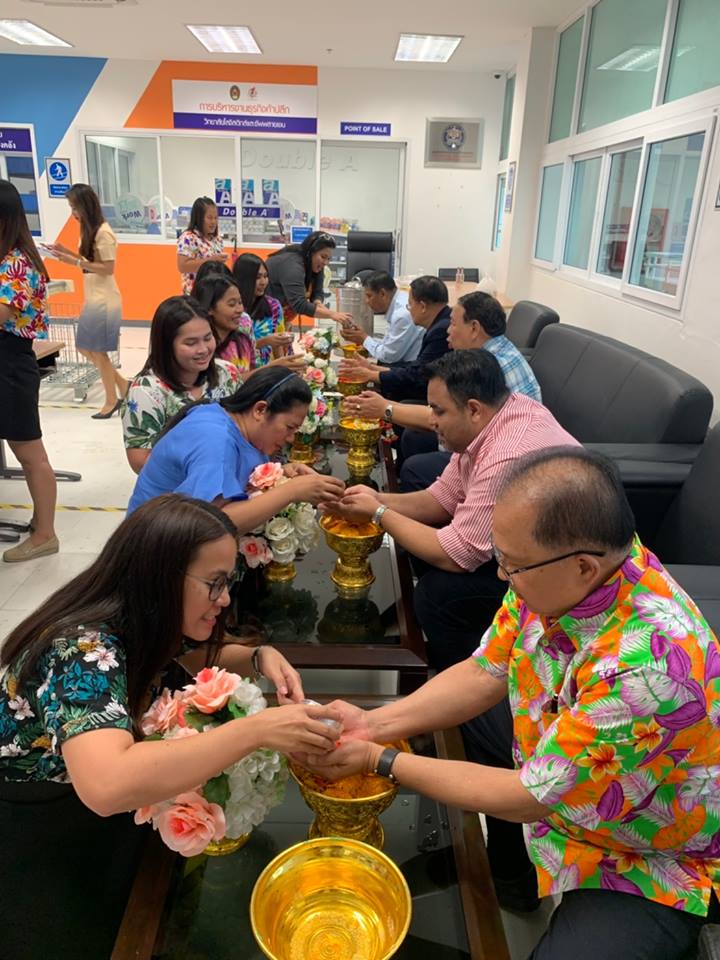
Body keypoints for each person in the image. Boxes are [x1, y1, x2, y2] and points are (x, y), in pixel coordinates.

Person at [308, 448, 720, 960]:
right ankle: (510, 873)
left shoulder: (649, 670)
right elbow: (485, 669)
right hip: (557, 761)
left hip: (643, 848)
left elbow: (530, 795)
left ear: (583, 566)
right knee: (471, 723)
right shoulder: (561, 573)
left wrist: (381, 758)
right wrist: (372, 724)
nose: (503, 576)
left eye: (512, 565)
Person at [0, 493, 341, 957]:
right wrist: (256, 731)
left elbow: (194, 655)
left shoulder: (141, 615)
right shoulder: (80, 651)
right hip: (38, 818)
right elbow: (106, 785)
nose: (224, 599)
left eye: (229, 582)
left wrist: (261, 657)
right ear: (160, 575)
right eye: (214, 584)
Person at [328, 350, 578, 670]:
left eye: (438, 410)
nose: (431, 420)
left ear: (473, 409)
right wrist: (378, 500)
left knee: (436, 595)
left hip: (556, 579)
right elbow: (442, 498)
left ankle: (468, 671)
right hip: (522, 548)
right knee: (419, 539)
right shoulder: (495, 417)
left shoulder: (507, 456)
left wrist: (378, 515)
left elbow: (457, 556)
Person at [128, 366, 346, 526]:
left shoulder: (236, 425)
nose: (290, 439)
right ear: (260, 410)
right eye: (289, 427)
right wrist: (291, 491)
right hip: (154, 549)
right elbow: (211, 525)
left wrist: (283, 474)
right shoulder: (215, 440)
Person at [346, 290, 541, 468]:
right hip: (491, 436)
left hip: (503, 458)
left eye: (453, 324)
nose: (448, 330)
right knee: (412, 432)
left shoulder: (487, 367)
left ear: (474, 328)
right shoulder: (500, 348)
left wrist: (385, 408)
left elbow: (448, 418)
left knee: (415, 465)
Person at [0, 180, 58, 563]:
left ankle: (46, 534)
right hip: (8, 361)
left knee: (30, 453)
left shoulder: (17, 263)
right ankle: (41, 522)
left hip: (10, 364)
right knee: (26, 451)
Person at [122, 296, 240, 475]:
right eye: (191, 343)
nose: (203, 349)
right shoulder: (146, 392)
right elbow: (141, 463)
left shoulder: (227, 374)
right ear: (167, 345)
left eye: (208, 338)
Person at [51, 183, 128, 418]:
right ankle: (123, 385)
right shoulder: (88, 230)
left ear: (86, 206)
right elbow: (89, 260)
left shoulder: (103, 232)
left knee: (98, 351)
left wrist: (75, 262)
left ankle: (111, 400)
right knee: (84, 347)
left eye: (75, 207)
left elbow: (107, 268)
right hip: (94, 297)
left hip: (104, 299)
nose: (73, 213)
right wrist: (66, 253)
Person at [338, 275, 451, 403]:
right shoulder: (439, 324)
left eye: (410, 305)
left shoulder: (439, 331)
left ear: (423, 307)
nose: (408, 309)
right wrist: (370, 367)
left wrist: (370, 374)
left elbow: (414, 373)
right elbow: (417, 368)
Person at [266, 230, 352, 328]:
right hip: (264, 319)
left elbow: (317, 291)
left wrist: (317, 302)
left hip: (281, 319)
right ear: (310, 252)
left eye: (328, 259)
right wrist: (332, 314)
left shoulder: (316, 264)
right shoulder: (293, 265)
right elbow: (299, 305)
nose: (326, 263)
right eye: (323, 257)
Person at [340, 271, 423, 364]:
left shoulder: (401, 314)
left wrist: (364, 339)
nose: (366, 301)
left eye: (369, 296)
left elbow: (388, 356)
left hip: (409, 367)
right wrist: (362, 337)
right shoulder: (398, 302)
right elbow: (388, 344)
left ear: (382, 294)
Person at [232, 252, 293, 366]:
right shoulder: (232, 309)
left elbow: (278, 345)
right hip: (239, 371)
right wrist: (264, 342)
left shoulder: (273, 306)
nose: (263, 282)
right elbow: (230, 349)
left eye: (265, 276)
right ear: (243, 279)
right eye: (257, 277)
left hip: (267, 372)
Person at [176, 197, 226, 295]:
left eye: (216, 218)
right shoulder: (188, 237)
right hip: (195, 292)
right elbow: (182, 266)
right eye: (209, 218)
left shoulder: (217, 239)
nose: (213, 222)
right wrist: (210, 260)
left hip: (214, 292)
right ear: (199, 218)